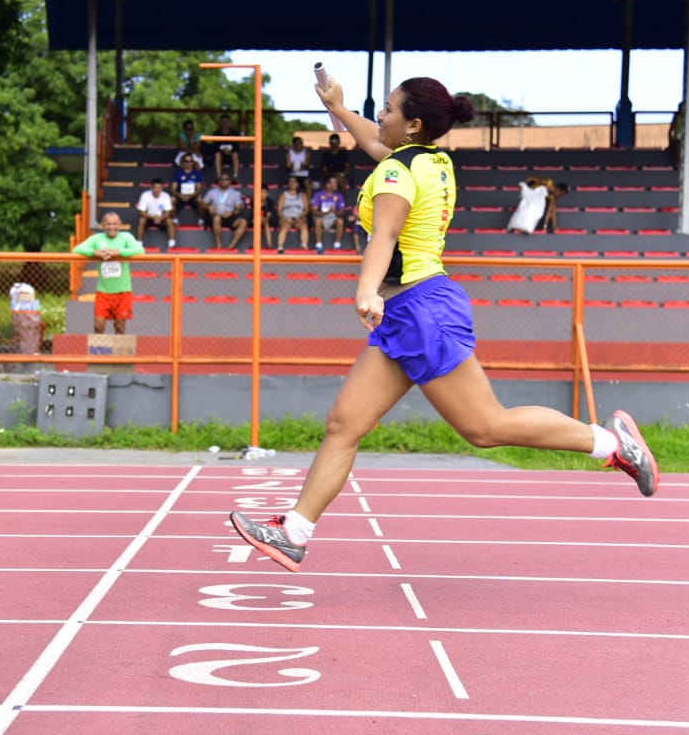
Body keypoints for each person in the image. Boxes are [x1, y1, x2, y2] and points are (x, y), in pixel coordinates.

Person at [229, 75, 659, 573]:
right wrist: (339, 108)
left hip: (419, 309)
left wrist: (366, 290)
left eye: (387, 109)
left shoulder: (397, 173)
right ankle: (294, 534)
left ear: (411, 124)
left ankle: (612, 445)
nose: (380, 116)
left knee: (486, 427)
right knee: (344, 424)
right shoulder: (429, 159)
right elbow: (373, 140)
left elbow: (385, 235)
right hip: (411, 310)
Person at [72, 211, 144, 334]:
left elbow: (140, 250)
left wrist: (119, 253)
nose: (112, 227)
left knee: (120, 326)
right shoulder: (96, 239)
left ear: (120, 225)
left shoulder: (126, 237)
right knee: (98, 326)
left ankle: (118, 352)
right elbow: (77, 249)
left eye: (115, 224)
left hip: (123, 291)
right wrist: (95, 253)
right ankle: (100, 351)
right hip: (103, 292)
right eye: (109, 224)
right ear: (103, 226)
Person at [202, 173, 247, 250]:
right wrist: (208, 207)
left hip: (229, 216)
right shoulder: (212, 192)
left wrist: (232, 212)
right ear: (218, 181)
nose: (223, 181)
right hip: (216, 215)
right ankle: (219, 245)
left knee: (243, 222)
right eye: (221, 179)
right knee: (217, 218)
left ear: (230, 181)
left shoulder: (235, 193)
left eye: (226, 179)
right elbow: (203, 204)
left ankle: (231, 247)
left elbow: (239, 209)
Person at [311, 175, 348, 252]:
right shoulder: (319, 195)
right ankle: (318, 245)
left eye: (336, 182)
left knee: (340, 221)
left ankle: (337, 244)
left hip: (333, 217)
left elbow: (342, 212)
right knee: (317, 221)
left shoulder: (338, 195)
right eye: (334, 182)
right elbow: (313, 211)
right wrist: (326, 212)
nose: (336, 184)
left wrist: (334, 211)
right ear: (328, 185)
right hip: (322, 217)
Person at [135, 178, 176, 248]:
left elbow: (168, 212)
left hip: (161, 218)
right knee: (142, 220)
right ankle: (139, 242)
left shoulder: (166, 196)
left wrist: (160, 218)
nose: (158, 190)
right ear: (151, 187)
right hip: (149, 218)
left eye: (160, 188)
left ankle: (171, 242)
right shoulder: (145, 195)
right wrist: (153, 217)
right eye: (155, 188)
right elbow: (141, 212)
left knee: (169, 221)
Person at [275, 175, 310, 253]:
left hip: (299, 217)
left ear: (298, 184)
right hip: (286, 217)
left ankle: (304, 245)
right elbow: (279, 210)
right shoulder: (284, 195)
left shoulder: (302, 195)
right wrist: (285, 218)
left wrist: (300, 217)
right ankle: (280, 247)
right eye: (290, 182)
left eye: (294, 182)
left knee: (304, 226)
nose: (292, 183)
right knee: (284, 227)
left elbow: (306, 209)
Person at [171, 154, 207, 225]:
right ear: (183, 162)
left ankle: (201, 219)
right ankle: (174, 219)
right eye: (186, 161)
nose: (188, 163)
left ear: (193, 163)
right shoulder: (178, 173)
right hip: (180, 196)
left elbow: (199, 189)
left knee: (201, 201)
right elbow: (173, 188)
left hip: (193, 196)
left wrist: (190, 196)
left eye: (190, 161)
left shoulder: (197, 173)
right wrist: (180, 195)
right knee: (171, 200)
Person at [667, 102, 689, 168]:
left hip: (688, 139)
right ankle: (678, 163)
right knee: (678, 147)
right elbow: (671, 130)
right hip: (677, 139)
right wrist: (670, 141)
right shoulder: (676, 117)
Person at [209, 113, 241, 178]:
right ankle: (218, 175)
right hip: (221, 155)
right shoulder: (216, 133)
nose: (225, 123)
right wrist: (222, 150)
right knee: (217, 154)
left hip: (232, 154)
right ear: (220, 123)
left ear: (230, 123)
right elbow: (214, 146)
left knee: (235, 154)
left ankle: (235, 175)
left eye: (227, 121)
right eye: (223, 121)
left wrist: (230, 151)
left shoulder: (235, 133)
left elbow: (237, 146)